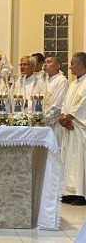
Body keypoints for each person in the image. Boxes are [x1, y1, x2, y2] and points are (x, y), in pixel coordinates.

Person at [58, 52, 86, 206]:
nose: (70, 67)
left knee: (79, 161)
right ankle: (69, 192)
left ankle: (81, 194)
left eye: (72, 64)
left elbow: (82, 105)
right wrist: (62, 118)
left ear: (81, 65)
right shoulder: (74, 83)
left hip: (80, 128)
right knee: (68, 160)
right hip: (69, 128)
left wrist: (68, 118)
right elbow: (65, 103)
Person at [43, 55, 68, 145]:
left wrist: (44, 121)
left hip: (54, 124)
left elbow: (57, 105)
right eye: (45, 62)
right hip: (43, 121)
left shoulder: (61, 80)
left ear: (58, 66)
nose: (45, 64)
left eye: (49, 62)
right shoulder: (45, 80)